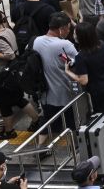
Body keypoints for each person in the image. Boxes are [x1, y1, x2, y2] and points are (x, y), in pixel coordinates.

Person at [0, 9, 39, 139]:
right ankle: (36, 120)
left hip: (3, 75)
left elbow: (9, 55)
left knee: (4, 105)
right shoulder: (8, 31)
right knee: (19, 99)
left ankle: (9, 131)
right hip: (13, 73)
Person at [32, 13, 78, 145]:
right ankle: (72, 147)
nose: (69, 32)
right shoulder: (64, 44)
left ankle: (40, 148)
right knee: (71, 121)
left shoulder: (36, 41)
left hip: (45, 91)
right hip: (64, 90)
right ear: (61, 29)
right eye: (68, 29)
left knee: (48, 120)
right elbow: (78, 61)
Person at [66, 21, 104, 115]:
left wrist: (68, 71)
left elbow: (84, 80)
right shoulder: (102, 44)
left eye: (75, 34)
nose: (73, 35)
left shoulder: (80, 57)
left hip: (97, 90)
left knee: (102, 117)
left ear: (81, 37)